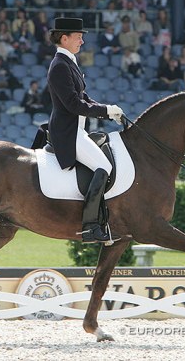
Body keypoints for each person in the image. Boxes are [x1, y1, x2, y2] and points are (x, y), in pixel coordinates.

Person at [47, 18, 123, 244]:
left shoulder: (69, 63)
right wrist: (104, 111)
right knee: (104, 166)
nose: (82, 40)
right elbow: (73, 104)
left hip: (78, 129)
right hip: (69, 133)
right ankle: (90, 226)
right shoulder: (60, 66)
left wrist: (108, 110)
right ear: (64, 38)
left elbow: (84, 98)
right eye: (78, 36)